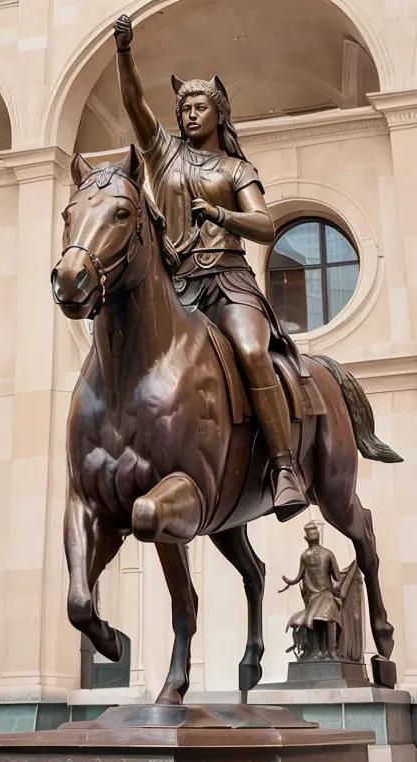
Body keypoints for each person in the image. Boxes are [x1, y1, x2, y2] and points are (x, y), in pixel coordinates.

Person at [113, 14, 308, 520]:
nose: (190, 114)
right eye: (184, 108)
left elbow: (264, 224)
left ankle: (284, 467)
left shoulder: (235, 169)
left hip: (228, 284)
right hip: (179, 290)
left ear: (219, 113)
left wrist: (222, 214)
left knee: (250, 350)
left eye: (200, 106)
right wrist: (124, 53)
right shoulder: (164, 156)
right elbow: (135, 105)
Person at [279, 522, 343, 658]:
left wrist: (289, 581)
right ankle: (331, 651)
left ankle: (319, 651)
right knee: (329, 618)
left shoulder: (304, 556)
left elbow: (297, 577)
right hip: (325, 595)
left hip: (313, 597)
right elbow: (338, 577)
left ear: (306, 539)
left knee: (318, 619)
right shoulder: (328, 554)